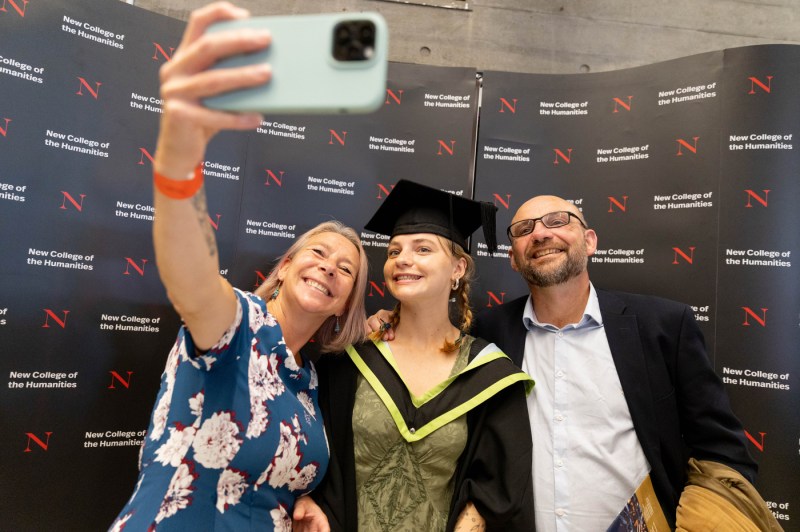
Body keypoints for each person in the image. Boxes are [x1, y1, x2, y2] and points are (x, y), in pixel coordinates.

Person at [110, 3, 369, 530]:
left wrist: (305, 504)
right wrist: (179, 159)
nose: (329, 268)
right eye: (317, 252)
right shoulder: (237, 325)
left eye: (346, 270)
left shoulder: (309, 381)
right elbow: (191, 275)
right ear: (286, 265)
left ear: (346, 304)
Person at [370, 193, 759, 530]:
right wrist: (391, 320)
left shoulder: (662, 328)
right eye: (523, 230)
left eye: (558, 221)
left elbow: (722, 452)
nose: (540, 233)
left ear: (589, 241)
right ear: (513, 259)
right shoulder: (486, 335)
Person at [300, 179, 535, 532]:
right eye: (394, 251)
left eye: (422, 249)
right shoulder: (349, 360)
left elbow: (494, 493)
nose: (402, 260)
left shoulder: (489, 375)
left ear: (457, 269)